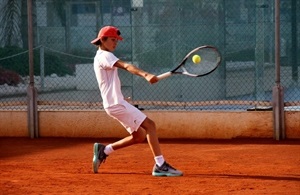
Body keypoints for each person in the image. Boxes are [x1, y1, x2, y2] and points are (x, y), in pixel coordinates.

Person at [91, 26, 183, 177]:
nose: (116, 43)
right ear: (103, 40)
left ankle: (104, 151)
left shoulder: (100, 56)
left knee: (139, 136)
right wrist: (146, 74)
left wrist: (121, 99)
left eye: (117, 41)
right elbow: (127, 66)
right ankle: (160, 165)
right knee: (150, 125)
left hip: (114, 103)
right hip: (116, 104)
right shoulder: (105, 56)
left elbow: (108, 84)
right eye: (113, 40)